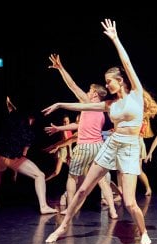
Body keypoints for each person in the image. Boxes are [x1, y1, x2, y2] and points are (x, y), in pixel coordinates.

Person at [43, 18, 151, 244]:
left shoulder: (136, 95)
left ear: (120, 81)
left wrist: (115, 38)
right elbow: (83, 105)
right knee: (82, 189)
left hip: (130, 148)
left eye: (110, 82)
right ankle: (63, 227)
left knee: (130, 203)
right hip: (112, 145)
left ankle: (143, 232)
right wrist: (61, 104)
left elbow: (128, 63)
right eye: (106, 82)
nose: (107, 85)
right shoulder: (109, 104)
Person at [45, 52, 118, 218]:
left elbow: (72, 85)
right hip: (99, 147)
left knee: (72, 177)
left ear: (94, 94)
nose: (87, 92)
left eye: (89, 91)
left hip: (84, 147)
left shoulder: (87, 102)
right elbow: (80, 125)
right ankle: (113, 211)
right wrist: (59, 129)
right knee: (101, 180)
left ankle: (69, 209)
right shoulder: (101, 108)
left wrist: (61, 68)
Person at [0, 95, 58, 215]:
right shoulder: (29, 132)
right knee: (39, 175)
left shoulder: (14, 115)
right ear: (32, 119)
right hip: (9, 158)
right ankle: (44, 206)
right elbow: (22, 154)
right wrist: (16, 170)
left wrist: (8, 102)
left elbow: (11, 109)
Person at [43, 114, 74, 182]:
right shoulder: (64, 130)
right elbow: (68, 143)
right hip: (63, 151)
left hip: (68, 150)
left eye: (67, 121)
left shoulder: (69, 129)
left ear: (69, 121)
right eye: (64, 122)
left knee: (74, 170)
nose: (66, 123)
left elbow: (70, 143)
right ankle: (43, 180)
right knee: (56, 172)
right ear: (62, 122)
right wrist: (69, 153)